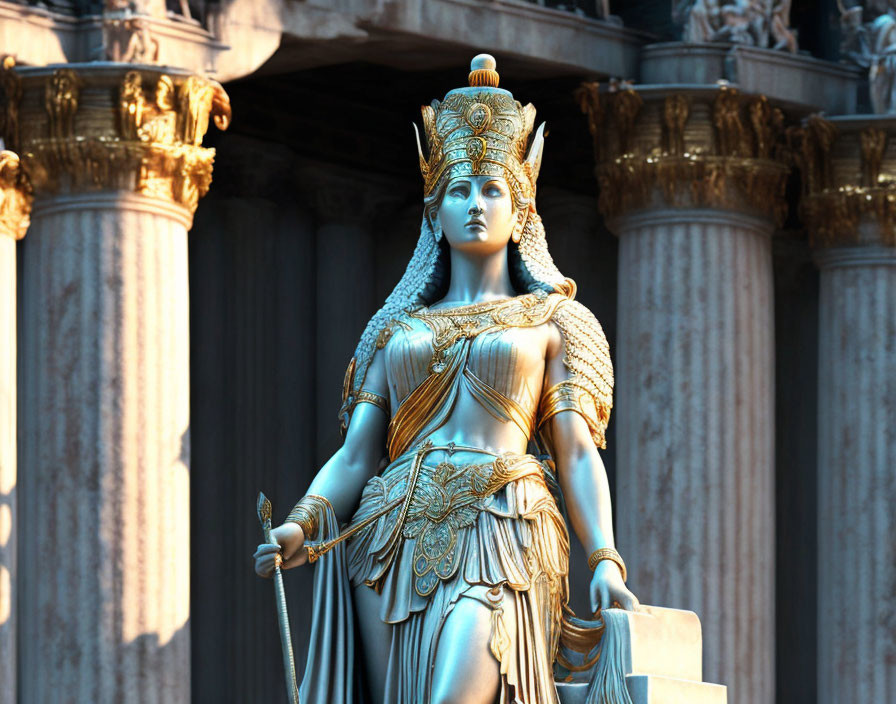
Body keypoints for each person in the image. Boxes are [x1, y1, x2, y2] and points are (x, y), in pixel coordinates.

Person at [254, 54, 638, 704]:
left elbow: (574, 450)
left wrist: (603, 556)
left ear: (522, 212)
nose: (476, 206)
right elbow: (356, 456)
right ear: (435, 212)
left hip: (504, 524)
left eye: (493, 190)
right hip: (388, 536)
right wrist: (301, 525)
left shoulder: (555, 321)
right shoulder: (394, 330)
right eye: (459, 191)